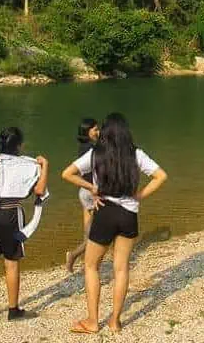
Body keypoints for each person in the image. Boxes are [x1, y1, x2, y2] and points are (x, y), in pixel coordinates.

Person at [62, 112, 168, 334]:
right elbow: (161, 176)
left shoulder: (95, 154)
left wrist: (92, 188)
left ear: (106, 133)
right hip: (129, 215)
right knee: (121, 269)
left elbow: (67, 174)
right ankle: (115, 322)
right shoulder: (136, 154)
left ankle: (92, 322)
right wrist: (139, 196)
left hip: (106, 212)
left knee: (91, 266)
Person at [0, 127, 49, 321]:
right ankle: (13, 310)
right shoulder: (26, 165)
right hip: (10, 214)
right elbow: (40, 190)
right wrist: (45, 166)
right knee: (12, 263)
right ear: (19, 145)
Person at [66, 117, 100, 273]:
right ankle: (73, 255)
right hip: (92, 192)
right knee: (97, 233)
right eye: (95, 130)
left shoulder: (83, 147)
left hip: (84, 191)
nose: (98, 132)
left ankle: (88, 262)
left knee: (89, 232)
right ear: (88, 132)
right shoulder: (91, 149)